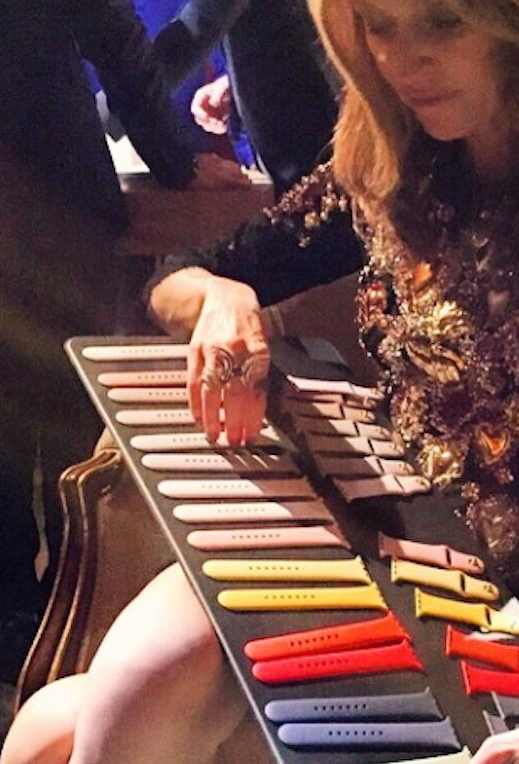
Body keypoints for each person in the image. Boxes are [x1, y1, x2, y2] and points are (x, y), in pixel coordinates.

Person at [0, 0, 519, 762]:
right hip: (374, 552)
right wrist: (222, 299)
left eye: (442, 22)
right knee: (69, 721)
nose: (404, 61)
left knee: (81, 720)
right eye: (380, 25)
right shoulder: (395, 161)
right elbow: (181, 276)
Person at [0, 0, 245, 684]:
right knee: (65, 426)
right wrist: (173, 157)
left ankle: (27, 624)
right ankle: (68, 624)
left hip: (45, 200)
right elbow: (111, 33)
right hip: (50, 197)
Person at [152, 0, 339, 195]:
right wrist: (234, 82)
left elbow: (208, 16)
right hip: (292, 144)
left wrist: (177, 161)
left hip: (326, 149)